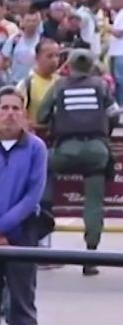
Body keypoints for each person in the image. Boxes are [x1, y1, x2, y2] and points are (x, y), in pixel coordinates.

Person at [0, 87, 48, 325]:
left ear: (24, 115)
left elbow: (32, 196)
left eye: (16, 108)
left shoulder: (36, 148)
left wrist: (1, 228)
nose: (10, 114)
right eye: (4, 108)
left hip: (23, 232)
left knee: (22, 300)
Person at [36, 49, 114, 276]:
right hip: (97, 151)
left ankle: (45, 211)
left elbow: (41, 115)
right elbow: (114, 113)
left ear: (68, 65)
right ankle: (90, 257)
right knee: (93, 204)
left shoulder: (60, 86)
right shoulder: (101, 86)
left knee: (42, 167)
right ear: (91, 66)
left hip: (66, 150)